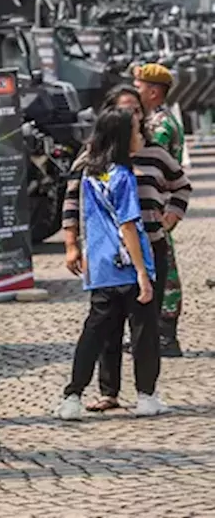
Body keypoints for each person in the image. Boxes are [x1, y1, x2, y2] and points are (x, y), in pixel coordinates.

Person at [61, 84, 188, 413]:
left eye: (136, 110)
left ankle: (142, 391)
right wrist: (71, 242)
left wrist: (171, 216)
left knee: (144, 326)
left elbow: (180, 186)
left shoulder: (155, 154)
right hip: (116, 256)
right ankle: (109, 391)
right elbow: (74, 200)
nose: (134, 115)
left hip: (149, 247)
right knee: (106, 328)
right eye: (126, 111)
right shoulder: (97, 162)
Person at [54, 106, 162, 420]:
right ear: (122, 136)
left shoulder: (90, 172)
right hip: (128, 264)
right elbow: (128, 224)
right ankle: (146, 396)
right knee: (143, 332)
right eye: (136, 130)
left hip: (100, 265)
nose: (140, 135)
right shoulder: (124, 176)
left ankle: (72, 396)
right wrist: (142, 271)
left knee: (94, 334)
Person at [132, 62, 186, 356]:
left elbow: (152, 164)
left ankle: (166, 333)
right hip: (153, 204)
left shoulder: (160, 126)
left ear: (153, 92)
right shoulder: (154, 119)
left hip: (159, 207)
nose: (135, 89)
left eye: (139, 85)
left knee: (165, 268)